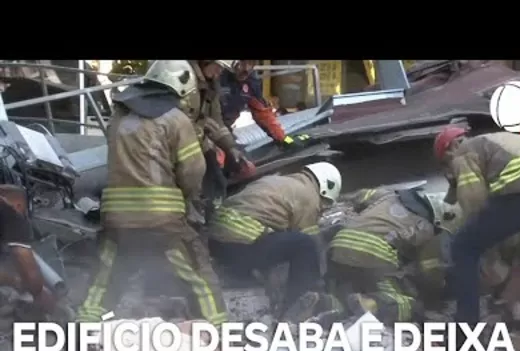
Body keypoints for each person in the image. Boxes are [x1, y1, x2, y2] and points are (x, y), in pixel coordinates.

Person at [76, 60, 228, 326]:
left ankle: (84, 328)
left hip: (117, 217)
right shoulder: (176, 119)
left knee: (105, 277)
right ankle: (220, 328)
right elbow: (193, 171)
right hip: (162, 219)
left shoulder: (119, 117)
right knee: (198, 274)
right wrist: (186, 197)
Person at [433, 126, 520, 351]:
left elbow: (474, 200)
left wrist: (488, 249)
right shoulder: (505, 142)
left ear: (450, 149)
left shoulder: (463, 151)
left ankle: (465, 334)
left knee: (463, 248)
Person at [289, 184, 448, 325]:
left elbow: (360, 196)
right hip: (375, 253)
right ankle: (371, 303)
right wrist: (439, 290)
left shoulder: (389, 196)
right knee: (408, 303)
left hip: (340, 244)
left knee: (344, 296)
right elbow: (428, 270)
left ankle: (321, 302)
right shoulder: (427, 228)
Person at [208, 162, 341, 318]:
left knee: (281, 240)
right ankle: (297, 303)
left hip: (216, 242)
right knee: (304, 245)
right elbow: (313, 243)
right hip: (241, 243)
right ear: (324, 190)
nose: (322, 209)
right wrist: (322, 280)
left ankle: (239, 274)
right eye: (325, 204)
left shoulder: (281, 181)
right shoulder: (309, 196)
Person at [188, 60, 256, 223]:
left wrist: (230, 148)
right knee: (191, 180)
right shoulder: (186, 79)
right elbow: (176, 122)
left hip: (198, 140)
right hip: (181, 143)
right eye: (218, 67)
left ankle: (210, 219)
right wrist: (201, 126)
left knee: (216, 180)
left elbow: (217, 120)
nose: (220, 72)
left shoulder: (211, 85)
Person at [218, 60, 310, 149]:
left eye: (251, 63)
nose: (246, 69)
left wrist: (283, 138)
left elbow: (261, 112)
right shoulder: (217, 74)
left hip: (225, 130)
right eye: (242, 63)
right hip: (213, 130)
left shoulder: (251, 81)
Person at [0, 185, 60, 316]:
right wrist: (39, 292)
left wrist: (14, 281)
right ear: (19, 205)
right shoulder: (10, 213)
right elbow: (24, 260)